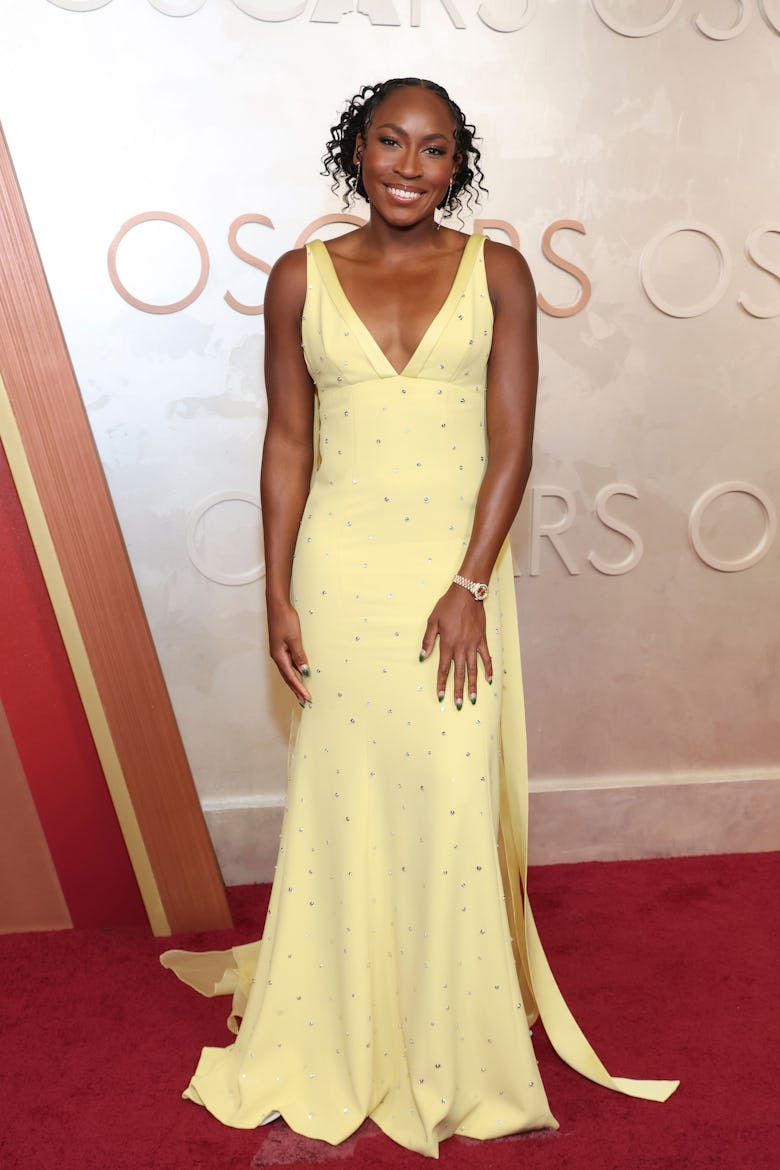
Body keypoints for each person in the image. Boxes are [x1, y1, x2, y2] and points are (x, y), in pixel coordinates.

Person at [161, 77, 677, 1158]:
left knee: (448, 792)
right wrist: (276, 589)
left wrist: (471, 582)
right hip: (341, 572)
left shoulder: (498, 271)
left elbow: (513, 442)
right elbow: (288, 445)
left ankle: (451, 1038)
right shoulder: (300, 278)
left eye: (434, 148)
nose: (409, 164)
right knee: (345, 793)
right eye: (390, 141)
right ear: (356, 150)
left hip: (458, 579)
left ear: (459, 165)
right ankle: (334, 1023)